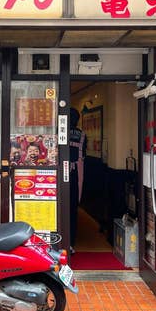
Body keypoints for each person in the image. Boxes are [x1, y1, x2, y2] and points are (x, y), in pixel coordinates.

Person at [69, 107, 87, 254]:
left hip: (60, 173)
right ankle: (71, 243)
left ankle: (60, 241)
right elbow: (83, 155)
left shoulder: (59, 131)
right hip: (76, 174)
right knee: (73, 208)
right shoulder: (82, 135)